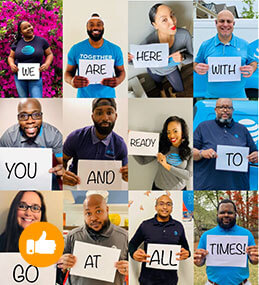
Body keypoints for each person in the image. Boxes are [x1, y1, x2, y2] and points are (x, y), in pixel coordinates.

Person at [57, 193, 128, 285]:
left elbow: (134, 270)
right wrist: (62, 263)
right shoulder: (72, 236)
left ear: (107, 210)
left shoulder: (124, 237)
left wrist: (129, 269)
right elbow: (58, 272)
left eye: (98, 211)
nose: (93, 218)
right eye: (88, 213)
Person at [129, 3, 193, 97]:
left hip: (172, 69)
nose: (172, 21)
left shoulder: (184, 35)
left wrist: (183, 57)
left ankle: (172, 91)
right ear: (155, 25)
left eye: (172, 15)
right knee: (158, 83)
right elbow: (135, 61)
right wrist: (128, 59)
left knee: (180, 88)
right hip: (155, 71)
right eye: (164, 20)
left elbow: (192, 57)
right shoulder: (147, 43)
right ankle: (162, 91)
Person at [193, 98, 258, 190]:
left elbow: (254, 152)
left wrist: (256, 156)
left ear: (232, 110)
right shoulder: (203, 127)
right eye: (221, 107)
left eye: (228, 107)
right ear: (215, 110)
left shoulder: (242, 129)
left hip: (237, 186)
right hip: (207, 185)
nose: (225, 110)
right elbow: (190, 152)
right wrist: (201, 153)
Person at [0, 98, 63, 190]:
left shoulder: (54, 135)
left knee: (53, 180)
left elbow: (62, 162)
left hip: (44, 175)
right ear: (18, 118)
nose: (30, 121)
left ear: (42, 116)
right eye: (23, 116)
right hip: (16, 177)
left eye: (36, 115)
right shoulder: (8, 137)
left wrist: (62, 168)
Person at [63, 98, 128, 186]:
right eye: (99, 113)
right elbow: (62, 159)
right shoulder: (76, 137)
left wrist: (127, 175)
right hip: (75, 186)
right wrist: (62, 173)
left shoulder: (120, 144)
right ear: (93, 116)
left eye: (109, 113)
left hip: (105, 187)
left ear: (115, 116)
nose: (105, 118)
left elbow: (125, 171)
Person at [129, 194, 190, 285]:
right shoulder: (145, 225)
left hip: (170, 281)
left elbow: (187, 249)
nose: (165, 207)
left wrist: (187, 253)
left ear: (172, 208)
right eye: (161, 204)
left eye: (168, 204)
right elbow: (132, 244)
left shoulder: (178, 226)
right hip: (147, 281)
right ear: (156, 207)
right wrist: (133, 254)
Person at [194, 10, 257, 98]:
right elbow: (196, 63)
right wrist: (196, 67)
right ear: (216, 23)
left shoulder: (244, 44)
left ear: (233, 23)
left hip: (239, 98)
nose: (225, 24)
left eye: (229, 21)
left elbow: (253, 62)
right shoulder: (205, 45)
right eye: (222, 21)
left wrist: (252, 68)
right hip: (212, 98)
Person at [194, 199, 258, 285]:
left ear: (235, 214)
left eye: (230, 213)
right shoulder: (206, 236)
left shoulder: (246, 234)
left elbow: (253, 261)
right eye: (222, 212)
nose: (226, 215)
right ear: (217, 214)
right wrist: (199, 261)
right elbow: (200, 263)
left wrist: (255, 259)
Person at [65, 13, 125, 98]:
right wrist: (71, 81)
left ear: (103, 27)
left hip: (109, 96)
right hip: (83, 97)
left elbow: (121, 71)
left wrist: (118, 80)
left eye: (99, 24)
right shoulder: (76, 49)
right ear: (87, 28)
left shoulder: (115, 49)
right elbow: (68, 73)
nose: (95, 27)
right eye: (91, 25)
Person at [134, 116, 192, 190]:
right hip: (158, 188)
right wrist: (131, 144)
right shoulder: (161, 147)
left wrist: (166, 165)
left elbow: (188, 175)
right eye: (168, 132)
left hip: (179, 190)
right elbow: (142, 161)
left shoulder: (190, 152)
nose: (171, 135)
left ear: (182, 132)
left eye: (175, 131)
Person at [8, 21, 53, 98]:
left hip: (35, 77)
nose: (29, 29)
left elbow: (49, 54)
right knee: (23, 100)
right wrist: (12, 64)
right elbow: (11, 57)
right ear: (21, 31)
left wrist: (46, 64)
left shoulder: (42, 41)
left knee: (36, 99)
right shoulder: (17, 43)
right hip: (19, 77)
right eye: (25, 28)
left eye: (29, 26)